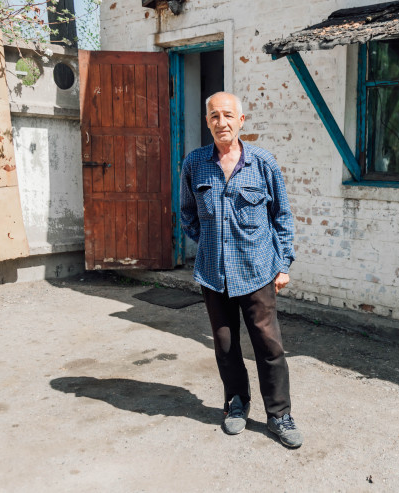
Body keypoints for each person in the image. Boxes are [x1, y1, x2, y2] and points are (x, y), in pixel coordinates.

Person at [179, 92, 302, 448]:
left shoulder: (263, 163)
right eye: (214, 116)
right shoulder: (195, 164)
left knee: (269, 345)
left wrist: (282, 264)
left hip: (257, 271)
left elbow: (281, 216)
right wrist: (209, 243)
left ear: (241, 120)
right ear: (207, 122)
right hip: (213, 274)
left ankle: (279, 415)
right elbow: (187, 213)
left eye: (228, 115)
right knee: (225, 344)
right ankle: (236, 403)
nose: (222, 122)